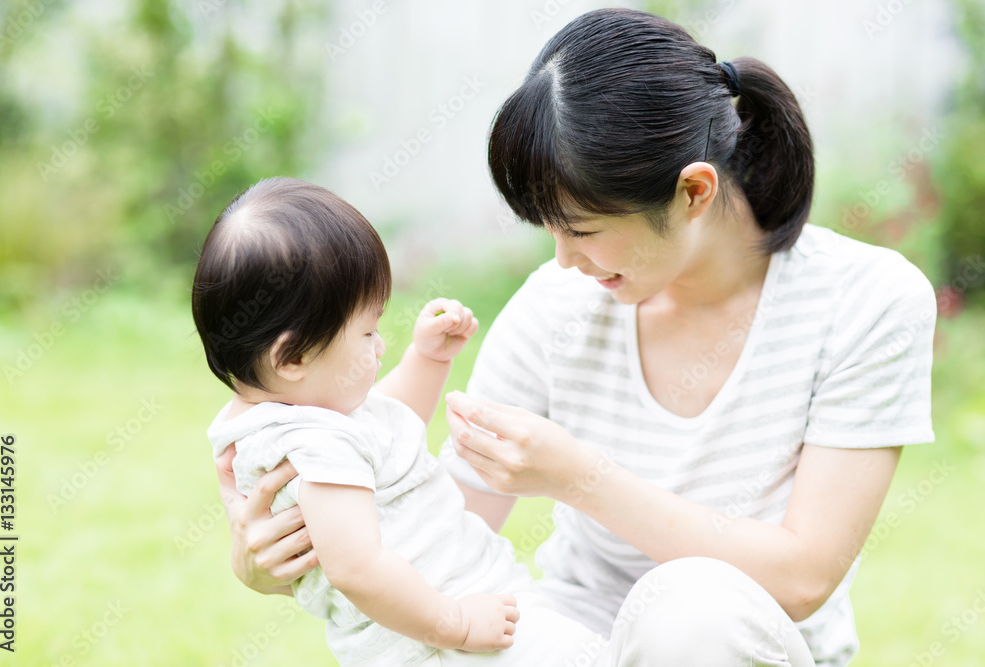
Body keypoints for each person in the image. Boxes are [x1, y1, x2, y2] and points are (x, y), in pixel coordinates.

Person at [216, 9, 935, 666]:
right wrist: (297, 557)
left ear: (693, 192)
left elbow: (803, 575)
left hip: (738, 641)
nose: (562, 259)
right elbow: (441, 526)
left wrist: (580, 476)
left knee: (689, 611)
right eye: (548, 229)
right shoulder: (558, 306)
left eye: (581, 229)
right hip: (573, 639)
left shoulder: (866, 302)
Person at [195, 177, 672, 667]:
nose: (379, 345)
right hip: (436, 639)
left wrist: (426, 359)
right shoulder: (313, 449)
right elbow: (357, 569)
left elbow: (389, 427)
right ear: (291, 357)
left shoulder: (304, 420)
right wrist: (457, 623)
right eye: (366, 331)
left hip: (453, 621)